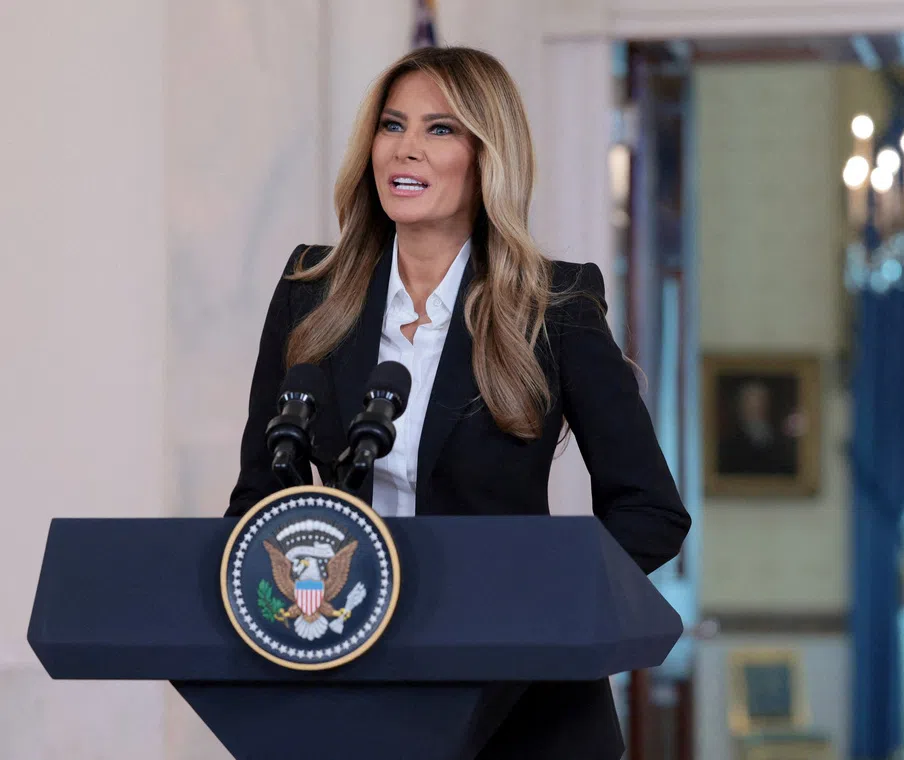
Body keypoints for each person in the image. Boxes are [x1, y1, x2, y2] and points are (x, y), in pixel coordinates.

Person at [225, 46, 690, 759]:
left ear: (486, 156)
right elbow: (259, 499)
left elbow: (650, 513)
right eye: (392, 125)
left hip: (526, 711)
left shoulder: (555, 307)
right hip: (351, 696)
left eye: (440, 129)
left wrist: (538, 605)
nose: (406, 148)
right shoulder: (308, 294)